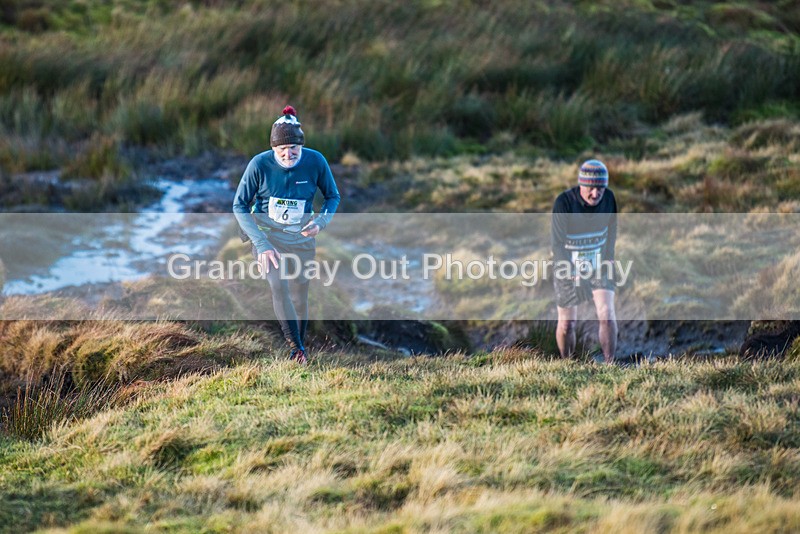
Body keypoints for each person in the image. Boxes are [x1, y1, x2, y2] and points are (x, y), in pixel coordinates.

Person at [233, 105, 340, 364]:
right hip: (268, 237)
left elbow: (332, 196)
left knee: (300, 294)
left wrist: (321, 222)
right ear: (273, 149)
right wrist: (261, 243)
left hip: (302, 237)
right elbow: (239, 205)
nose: (289, 154)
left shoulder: (316, 161)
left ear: (301, 146)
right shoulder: (259, 164)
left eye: (294, 149)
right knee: (278, 284)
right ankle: (297, 351)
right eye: (282, 150)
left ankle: (299, 347)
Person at [551, 159, 618, 363]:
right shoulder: (564, 203)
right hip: (567, 265)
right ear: (581, 184)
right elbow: (557, 246)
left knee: (606, 313)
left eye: (600, 188)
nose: (595, 194)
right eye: (590, 188)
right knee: (567, 324)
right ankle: (567, 363)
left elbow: (611, 231)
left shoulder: (608, 199)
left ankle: (610, 364)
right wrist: (575, 274)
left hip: (599, 263)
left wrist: (608, 260)